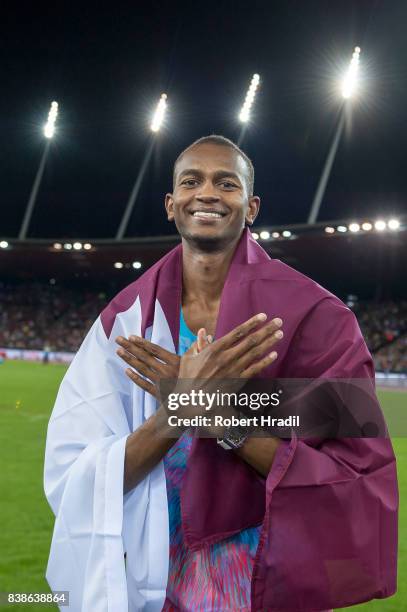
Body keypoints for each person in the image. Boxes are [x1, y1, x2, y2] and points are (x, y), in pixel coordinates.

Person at [44, 135, 398, 611]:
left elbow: (353, 467)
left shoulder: (316, 317)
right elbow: (74, 474)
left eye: (225, 183)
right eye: (192, 181)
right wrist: (179, 411)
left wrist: (223, 417)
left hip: (257, 574)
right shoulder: (124, 323)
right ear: (171, 205)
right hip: (153, 570)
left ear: (251, 207)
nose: (206, 193)